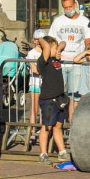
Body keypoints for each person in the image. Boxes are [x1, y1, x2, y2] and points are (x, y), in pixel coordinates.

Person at [47, 0, 90, 116]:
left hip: (76, 63)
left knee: (74, 97)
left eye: (70, 7)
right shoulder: (58, 21)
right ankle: (55, 122)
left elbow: (88, 42)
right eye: (65, 7)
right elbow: (51, 41)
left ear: (75, 5)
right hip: (61, 63)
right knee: (58, 95)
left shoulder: (84, 21)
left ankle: (72, 127)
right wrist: (55, 53)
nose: (68, 9)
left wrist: (85, 57)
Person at [35, 36, 69, 164]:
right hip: (49, 99)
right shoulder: (43, 62)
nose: (57, 50)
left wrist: (58, 48)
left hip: (59, 98)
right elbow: (47, 47)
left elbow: (63, 43)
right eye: (54, 48)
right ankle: (43, 154)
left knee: (58, 125)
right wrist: (40, 40)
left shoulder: (55, 58)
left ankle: (62, 152)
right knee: (47, 126)